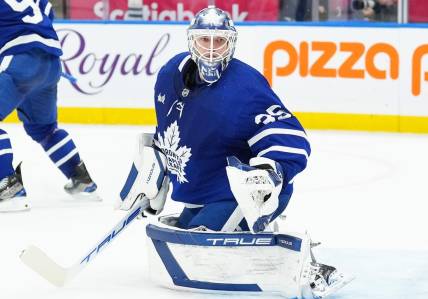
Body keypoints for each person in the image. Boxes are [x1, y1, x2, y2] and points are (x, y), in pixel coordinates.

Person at [0, 0, 98, 212]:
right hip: (51, 63)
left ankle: (7, 188)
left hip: (19, 60)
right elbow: (45, 18)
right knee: (43, 128)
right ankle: (81, 179)